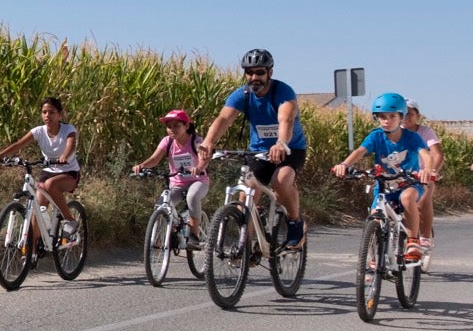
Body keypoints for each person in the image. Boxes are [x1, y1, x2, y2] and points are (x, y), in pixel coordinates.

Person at [197, 48, 309, 249]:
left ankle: (295, 223)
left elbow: (286, 119)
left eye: (259, 72)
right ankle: (245, 247)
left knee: (280, 181)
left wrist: (281, 143)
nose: (254, 77)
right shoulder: (243, 95)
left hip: (290, 148)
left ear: (270, 73)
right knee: (246, 195)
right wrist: (208, 142)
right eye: (249, 72)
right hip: (258, 151)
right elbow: (224, 118)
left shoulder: (283, 92)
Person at [331, 92, 429, 261]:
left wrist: (427, 169)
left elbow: (425, 154)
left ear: (401, 117)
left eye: (392, 116)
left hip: (409, 183)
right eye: (382, 117)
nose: (387, 120)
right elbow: (360, 151)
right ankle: (372, 259)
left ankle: (413, 241)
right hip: (384, 186)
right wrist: (345, 165)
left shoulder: (412, 137)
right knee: (375, 216)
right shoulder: (376, 136)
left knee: (407, 199)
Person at [0, 97, 81, 242]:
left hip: (68, 172)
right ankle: (30, 257)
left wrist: (64, 156)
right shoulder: (39, 131)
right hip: (48, 172)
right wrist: (1, 155)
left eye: (52, 112)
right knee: (37, 214)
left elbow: (70, 145)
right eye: (44, 112)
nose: (47, 116)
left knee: (50, 185)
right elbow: (19, 144)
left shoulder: (68, 129)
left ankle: (69, 219)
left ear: (60, 114)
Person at [131, 108, 210, 249]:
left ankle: (194, 235)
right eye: (169, 126)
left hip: (198, 180)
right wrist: (142, 166)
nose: (172, 129)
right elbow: (155, 159)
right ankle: (169, 235)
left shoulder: (196, 140)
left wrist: (198, 168)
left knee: (192, 197)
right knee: (161, 205)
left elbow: (204, 159)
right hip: (177, 182)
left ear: (186, 126)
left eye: (176, 126)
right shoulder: (167, 142)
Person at [402, 99, 444, 256]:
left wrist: (431, 171)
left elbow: (437, 154)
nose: (406, 117)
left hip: (421, 173)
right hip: (401, 173)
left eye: (410, 114)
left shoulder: (425, 132)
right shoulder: (395, 131)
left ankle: (425, 236)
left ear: (417, 115)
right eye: (403, 113)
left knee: (422, 201)